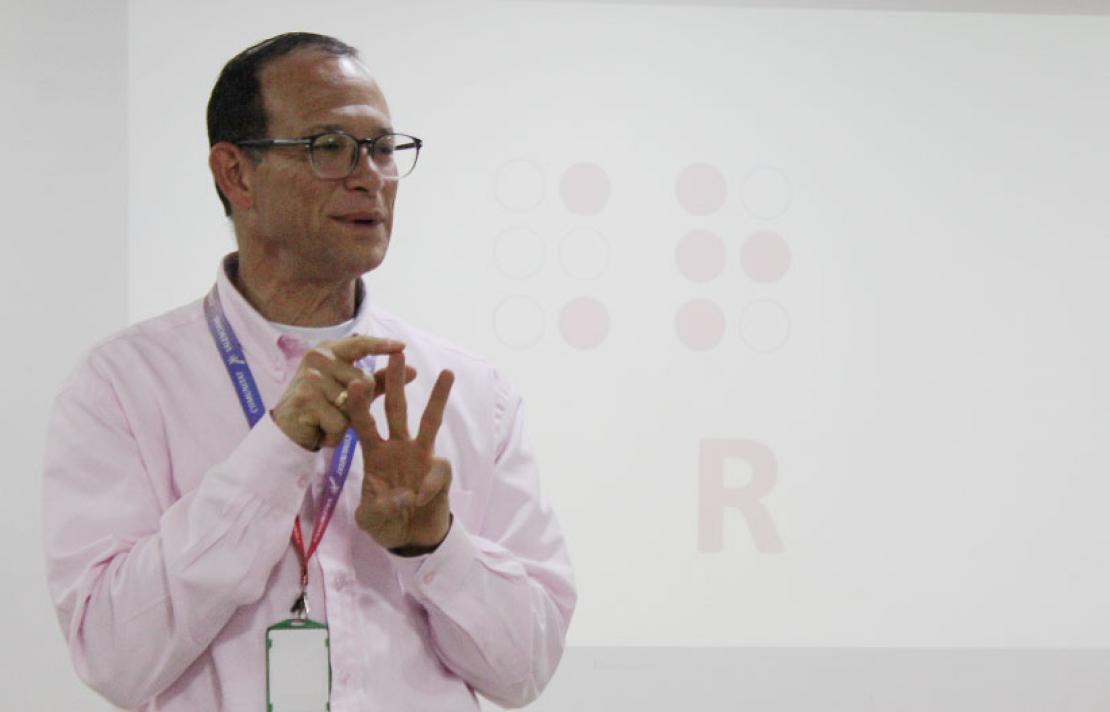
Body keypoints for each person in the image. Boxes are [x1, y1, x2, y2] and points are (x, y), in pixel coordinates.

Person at [42, 32, 576, 711]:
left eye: (383, 148)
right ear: (235, 174)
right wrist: (275, 451)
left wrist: (434, 547)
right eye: (329, 147)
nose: (370, 176)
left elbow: (523, 672)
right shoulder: (123, 385)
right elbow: (114, 656)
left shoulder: (468, 392)